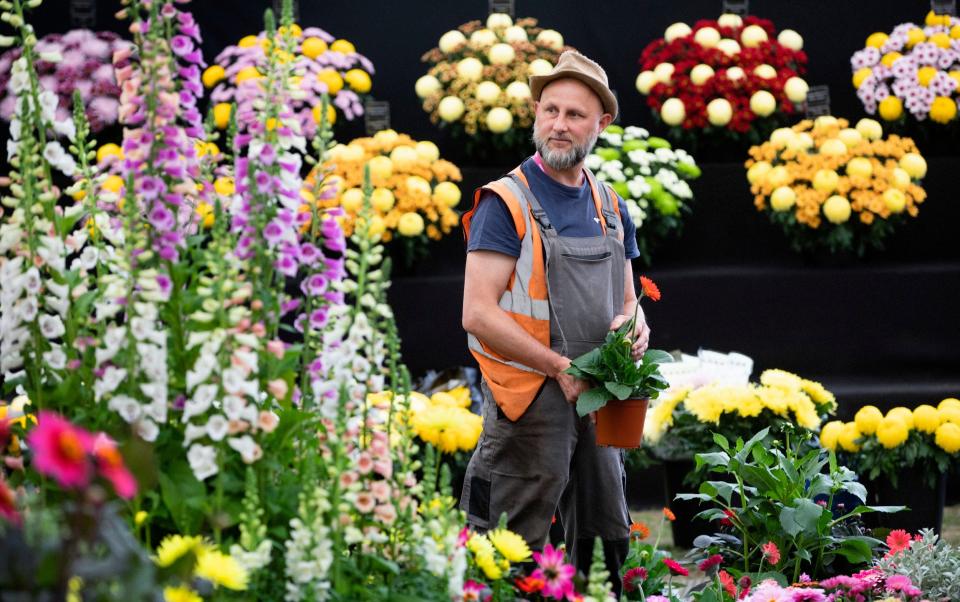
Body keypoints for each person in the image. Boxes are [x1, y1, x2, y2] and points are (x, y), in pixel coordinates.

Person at [459, 50, 650, 592]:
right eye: (550, 111)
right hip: (531, 397)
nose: (559, 125)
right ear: (536, 112)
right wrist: (558, 366)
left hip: (599, 395)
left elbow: (627, 298)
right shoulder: (506, 201)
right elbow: (476, 312)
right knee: (507, 547)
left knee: (604, 533)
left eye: (574, 115)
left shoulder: (610, 204)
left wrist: (634, 322)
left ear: (602, 124)